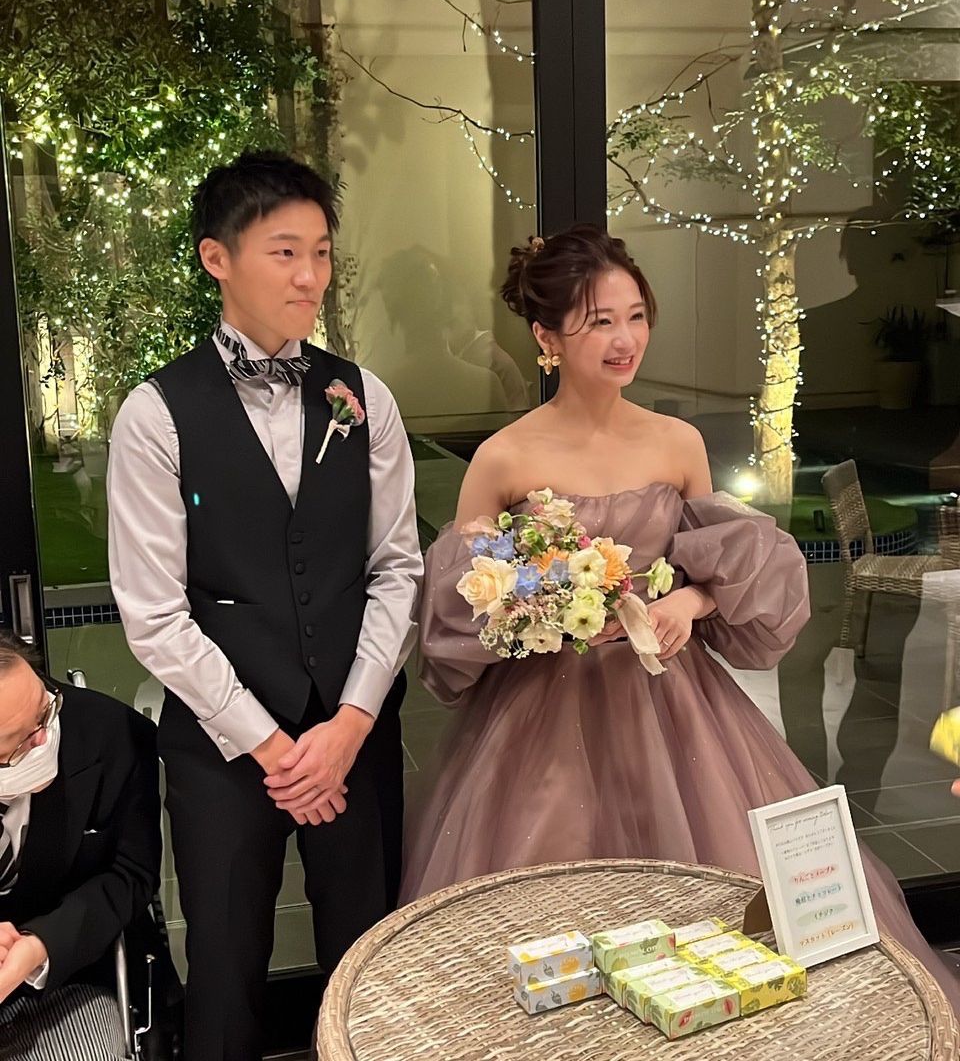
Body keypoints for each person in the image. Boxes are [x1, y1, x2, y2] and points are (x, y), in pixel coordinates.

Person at [401, 223, 960, 1013]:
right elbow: (461, 598)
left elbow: (727, 562)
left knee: (714, 913)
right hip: (540, 713)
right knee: (542, 913)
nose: (625, 339)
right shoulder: (505, 457)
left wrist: (689, 603)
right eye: (600, 321)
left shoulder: (676, 443)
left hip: (671, 697)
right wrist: (538, 606)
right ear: (546, 337)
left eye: (636, 316)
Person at [107, 151, 422, 1061]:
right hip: (222, 749)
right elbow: (154, 614)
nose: (309, 276)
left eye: (321, 253)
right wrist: (276, 750)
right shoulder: (156, 413)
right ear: (217, 258)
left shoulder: (363, 397)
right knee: (225, 970)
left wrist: (351, 724)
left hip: (354, 737)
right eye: (285, 252)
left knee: (368, 961)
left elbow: (396, 569)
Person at [0, 633, 161, 1060]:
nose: (43, 738)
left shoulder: (111, 734)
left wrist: (40, 945)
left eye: (44, 710)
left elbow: (131, 874)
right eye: (19, 741)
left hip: (67, 979)